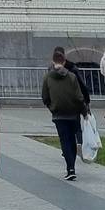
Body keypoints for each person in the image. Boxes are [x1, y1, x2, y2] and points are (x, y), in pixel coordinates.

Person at [41, 45, 90, 181]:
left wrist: (52, 107)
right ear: (64, 61)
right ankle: (72, 167)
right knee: (72, 140)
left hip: (58, 115)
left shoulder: (47, 77)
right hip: (73, 113)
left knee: (65, 141)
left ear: (53, 61)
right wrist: (84, 112)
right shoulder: (72, 77)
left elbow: (45, 97)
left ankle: (70, 168)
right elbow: (79, 97)